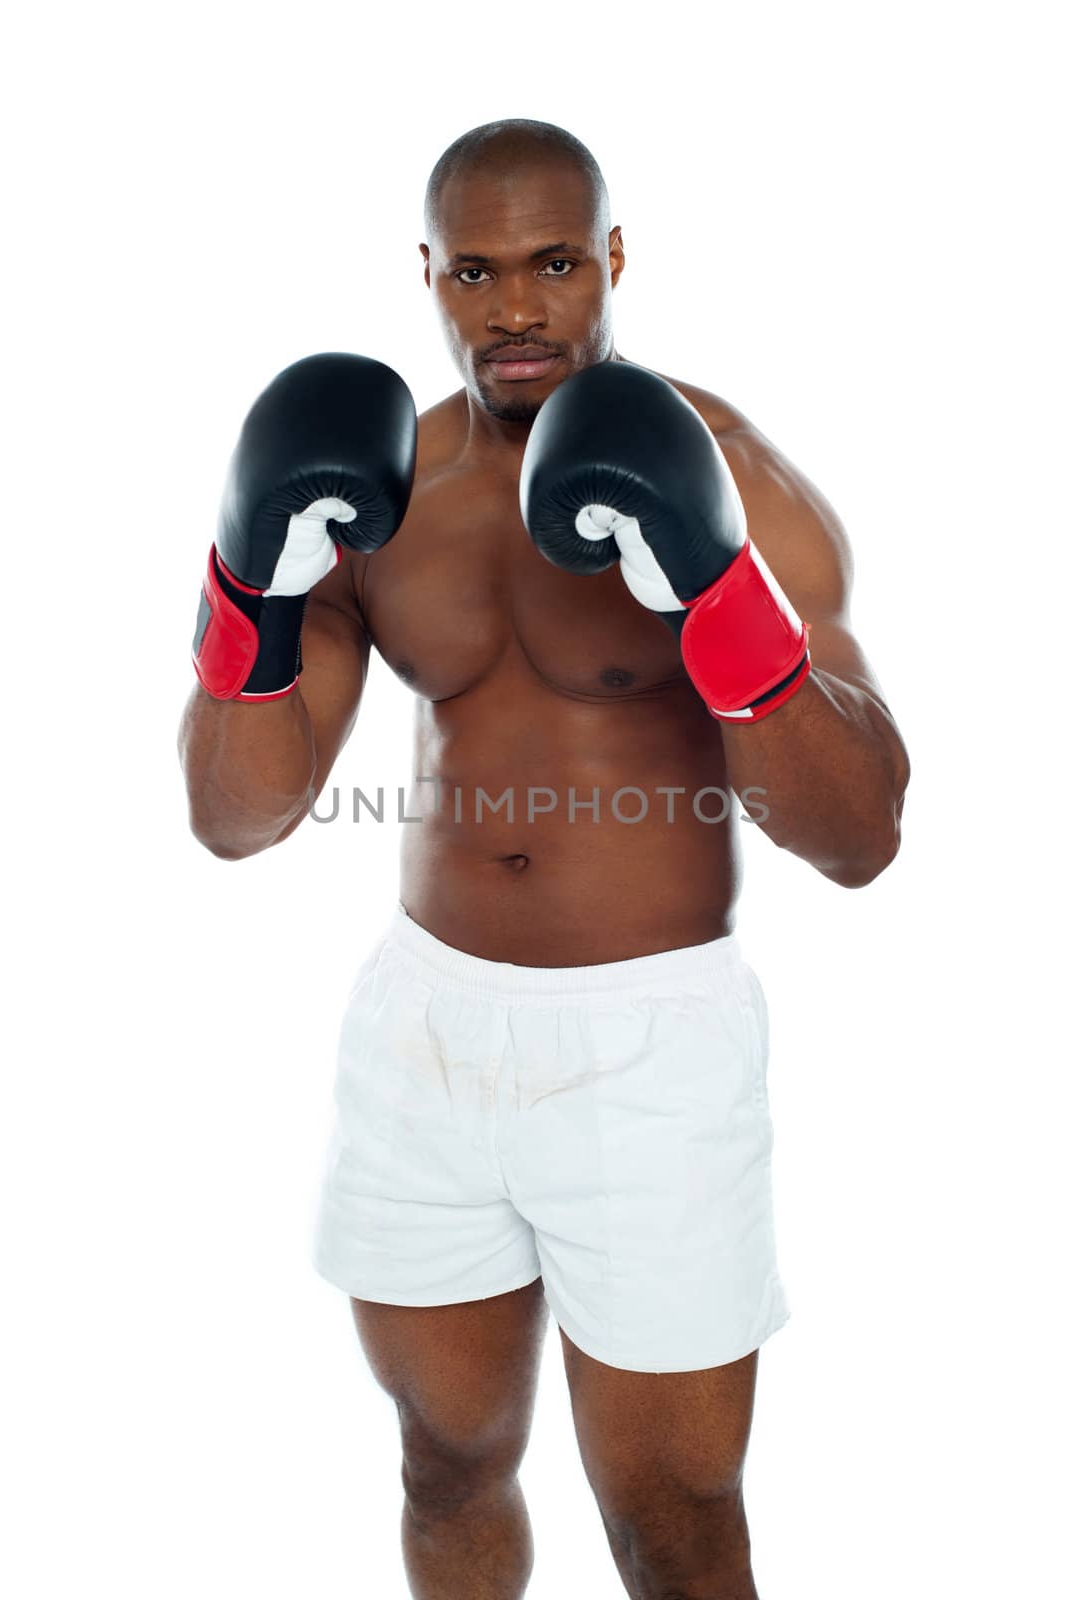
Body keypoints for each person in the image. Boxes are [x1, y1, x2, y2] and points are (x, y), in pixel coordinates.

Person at [178, 118, 910, 1600]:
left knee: (673, 1522)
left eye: (555, 262)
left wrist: (715, 594)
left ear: (613, 260)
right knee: (443, 1463)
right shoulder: (376, 494)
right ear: (430, 278)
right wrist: (247, 587)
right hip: (426, 1034)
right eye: (475, 272)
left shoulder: (732, 480)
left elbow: (860, 839)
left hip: (649, 1051)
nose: (514, 308)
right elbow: (237, 820)